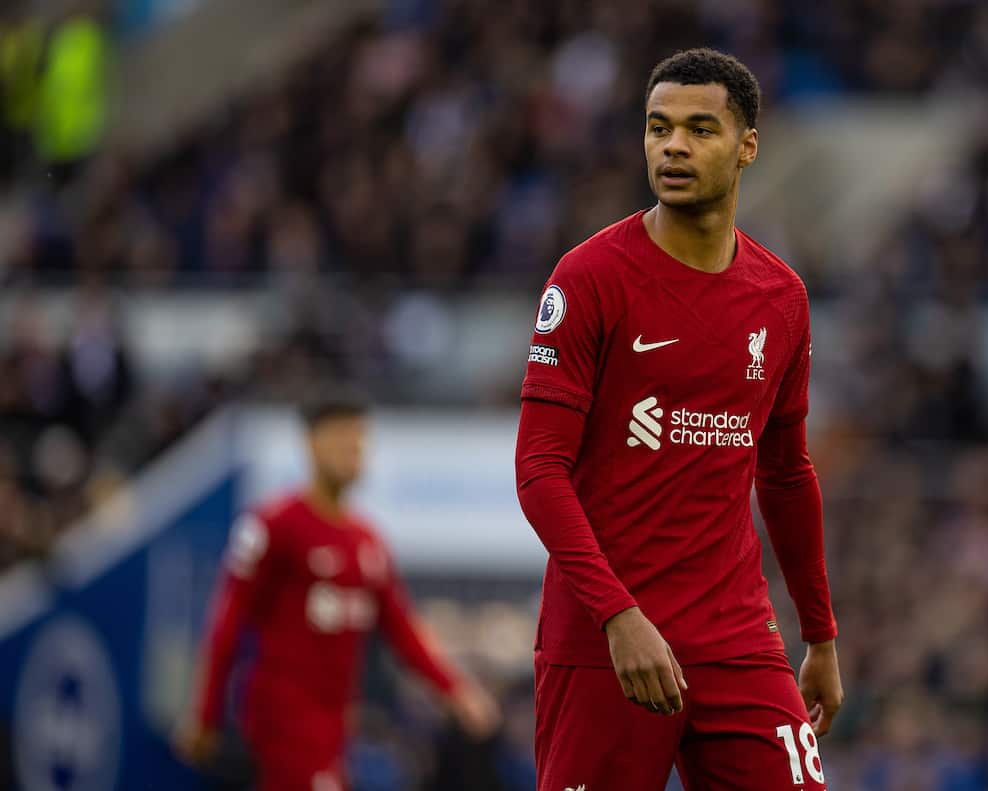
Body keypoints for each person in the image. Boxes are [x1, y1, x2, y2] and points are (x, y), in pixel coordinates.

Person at [515, 48, 844, 790]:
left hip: (736, 638)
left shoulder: (781, 297)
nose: (673, 146)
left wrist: (820, 634)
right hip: (604, 638)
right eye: (659, 127)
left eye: (700, 129)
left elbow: (786, 471)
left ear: (747, 146)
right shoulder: (588, 278)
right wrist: (617, 616)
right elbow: (538, 469)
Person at [177, 395, 499, 790]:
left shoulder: (366, 542)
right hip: (282, 717)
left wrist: (456, 691)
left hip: (334, 723)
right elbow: (227, 622)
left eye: (360, 441)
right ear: (311, 444)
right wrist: (205, 714)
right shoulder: (274, 526)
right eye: (343, 438)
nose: (354, 451)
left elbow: (401, 629)